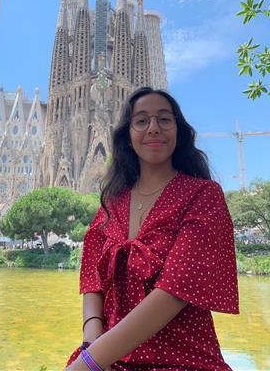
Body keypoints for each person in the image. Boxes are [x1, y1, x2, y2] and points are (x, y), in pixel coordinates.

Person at [65, 87, 239, 371]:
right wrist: (92, 336)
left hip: (182, 359)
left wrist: (89, 363)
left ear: (178, 132)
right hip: (109, 357)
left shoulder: (202, 195)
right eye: (142, 120)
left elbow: (176, 289)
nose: (154, 128)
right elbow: (92, 277)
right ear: (128, 136)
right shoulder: (112, 202)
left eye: (164, 119)